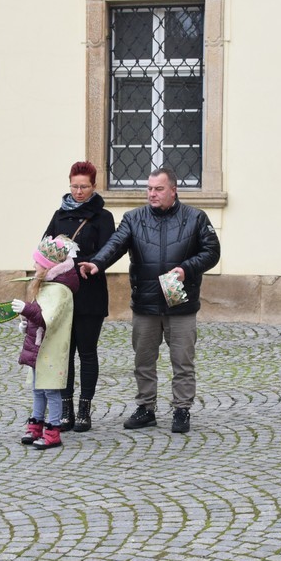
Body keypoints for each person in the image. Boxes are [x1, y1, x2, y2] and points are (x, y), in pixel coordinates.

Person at [79, 167, 220, 433]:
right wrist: (97, 263)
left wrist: (186, 269)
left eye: (158, 189)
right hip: (145, 303)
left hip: (181, 305)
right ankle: (146, 408)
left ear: (173, 190)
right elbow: (115, 245)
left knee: (183, 361)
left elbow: (212, 252)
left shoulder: (196, 218)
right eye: (149, 188)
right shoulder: (134, 218)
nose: (152, 194)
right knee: (143, 361)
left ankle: (182, 409)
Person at [43, 161, 115, 433]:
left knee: (86, 351)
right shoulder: (59, 215)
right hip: (62, 293)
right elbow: (45, 247)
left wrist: (88, 261)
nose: (78, 191)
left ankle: (84, 409)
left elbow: (108, 251)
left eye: (84, 186)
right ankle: (66, 410)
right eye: (74, 186)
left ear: (94, 186)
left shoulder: (103, 217)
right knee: (64, 353)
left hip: (90, 292)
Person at [13, 236, 80, 450]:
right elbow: (38, 316)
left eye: (38, 262)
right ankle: (35, 425)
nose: (34, 265)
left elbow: (47, 318)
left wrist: (26, 309)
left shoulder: (59, 290)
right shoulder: (46, 285)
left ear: (48, 265)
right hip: (39, 346)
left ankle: (52, 431)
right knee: (37, 389)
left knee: (50, 390)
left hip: (51, 349)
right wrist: (26, 325)